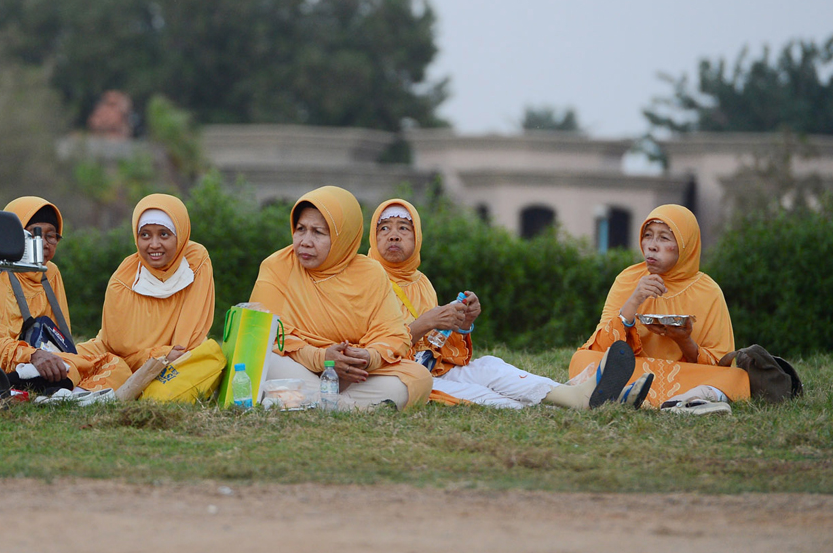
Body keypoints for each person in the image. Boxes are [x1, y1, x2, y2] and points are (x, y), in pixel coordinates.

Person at [369, 198, 644, 409]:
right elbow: (369, 347)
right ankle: (585, 398)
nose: (394, 235)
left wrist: (462, 324)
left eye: (404, 228)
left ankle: (578, 395)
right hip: (404, 378)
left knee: (491, 365)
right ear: (373, 236)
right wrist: (426, 322)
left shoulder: (420, 281)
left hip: (436, 369)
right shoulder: (365, 280)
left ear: (417, 238)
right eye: (384, 229)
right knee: (494, 400)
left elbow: (438, 349)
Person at [248, 186, 433, 410]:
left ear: (343, 237)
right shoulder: (277, 267)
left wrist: (365, 357)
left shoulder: (370, 272)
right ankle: (339, 406)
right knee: (263, 355)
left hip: (351, 377)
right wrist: (322, 357)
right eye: (300, 229)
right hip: (298, 367)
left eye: (318, 232)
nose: (305, 241)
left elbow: (394, 335)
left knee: (417, 377)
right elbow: (266, 332)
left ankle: (310, 402)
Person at [570, 204, 750, 410]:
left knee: (736, 377)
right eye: (648, 235)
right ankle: (681, 402)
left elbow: (720, 363)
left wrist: (683, 340)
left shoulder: (708, 290)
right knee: (582, 359)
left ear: (685, 245)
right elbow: (601, 348)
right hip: (635, 370)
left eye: (664, 238)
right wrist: (634, 301)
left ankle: (675, 400)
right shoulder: (628, 279)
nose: (652, 245)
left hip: (685, 374)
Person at [72, 193, 221, 400]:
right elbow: (120, 348)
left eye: (164, 234)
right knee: (87, 364)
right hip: (122, 360)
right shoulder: (122, 281)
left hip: (181, 356)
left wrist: (171, 354)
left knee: (209, 358)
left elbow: (188, 341)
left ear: (181, 236)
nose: (154, 244)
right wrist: (161, 354)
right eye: (145, 235)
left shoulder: (196, 260)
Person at [0, 196, 131, 394]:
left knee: (115, 363)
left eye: (52, 236)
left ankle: (63, 388)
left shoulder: (50, 272)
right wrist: (33, 355)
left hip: (47, 363)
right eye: (35, 234)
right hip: (7, 367)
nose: (45, 243)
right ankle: (61, 388)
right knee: (42, 371)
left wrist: (60, 360)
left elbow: (61, 338)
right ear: (13, 235)